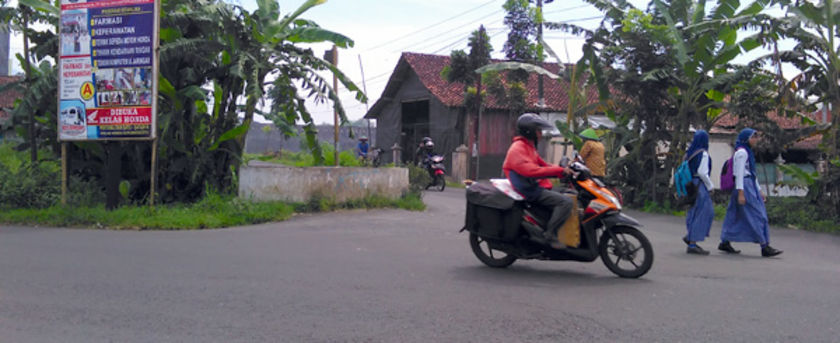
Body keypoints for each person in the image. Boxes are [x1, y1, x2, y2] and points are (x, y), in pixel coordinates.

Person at [502, 113, 573, 247]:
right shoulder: (517, 149)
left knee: (567, 192)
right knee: (566, 202)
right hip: (529, 190)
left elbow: (543, 165)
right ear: (530, 132)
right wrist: (559, 171)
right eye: (538, 131)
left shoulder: (528, 147)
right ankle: (549, 234)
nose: (541, 134)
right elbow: (532, 171)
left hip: (533, 185)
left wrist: (563, 170)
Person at [719, 128, 783, 257]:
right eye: (753, 137)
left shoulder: (747, 152)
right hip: (744, 186)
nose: (756, 140)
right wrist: (741, 192)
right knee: (758, 215)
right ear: (746, 139)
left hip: (748, 184)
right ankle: (764, 245)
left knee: (734, 214)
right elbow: (739, 174)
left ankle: (725, 240)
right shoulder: (742, 153)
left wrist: (759, 190)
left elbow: (751, 174)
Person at [682, 130, 714, 255]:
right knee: (705, 212)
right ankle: (692, 243)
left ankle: (690, 236)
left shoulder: (690, 153)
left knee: (693, 212)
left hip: (690, 185)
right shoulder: (703, 154)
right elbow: (702, 172)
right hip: (700, 185)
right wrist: (710, 186)